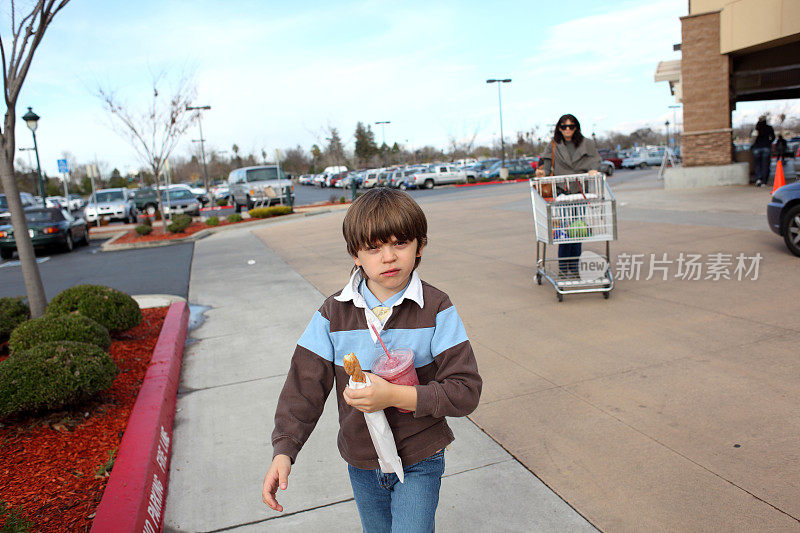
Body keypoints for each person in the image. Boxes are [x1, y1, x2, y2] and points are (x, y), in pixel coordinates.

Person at [262, 187, 482, 532]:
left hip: (420, 457)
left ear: (419, 245)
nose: (388, 257)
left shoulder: (437, 309)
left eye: (400, 243)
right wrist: (284, 450)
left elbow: (465, 391)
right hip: (361, 460)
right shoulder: (333, 314)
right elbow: (303, 386)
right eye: (374, 247)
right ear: (355, 254)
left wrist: (394, 396)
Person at [534, 114, 601, 275]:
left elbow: (594, 160)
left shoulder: (587, 143)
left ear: (576, 127)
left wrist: (593, 170)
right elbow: (546, 164)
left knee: (577, 231)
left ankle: (575, 267)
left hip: (579, 192)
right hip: (562, 192)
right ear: (559, 128)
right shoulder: (553, 145)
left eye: (571, 126)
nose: (567, 129)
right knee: (565, 232)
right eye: (564, 127)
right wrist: (542, 172)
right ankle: (564, 268)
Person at [751, 116, 775, 187]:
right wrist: (768, 142)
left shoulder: (756, 128)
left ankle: (758, 179)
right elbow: (773, 137)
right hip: (766, 147)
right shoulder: (769, 128)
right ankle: (764, 181)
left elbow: (752, 138)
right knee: (765, 165)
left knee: (757, 164)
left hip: (756, 148)